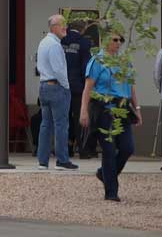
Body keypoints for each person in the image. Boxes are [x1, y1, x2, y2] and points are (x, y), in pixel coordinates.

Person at [82, 32, 138, 203]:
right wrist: (84, 110)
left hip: (122, 108)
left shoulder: (124, 61)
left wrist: (137, 108)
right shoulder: (97, 61)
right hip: (104, 108)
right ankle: (111, 191)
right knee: (108, 149)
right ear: (106, 41)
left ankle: (104, 174)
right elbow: (88, 87)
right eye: (115, 40)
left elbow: (131, 86)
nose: (118, 43)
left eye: (120, 40)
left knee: (127, 147)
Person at [34, 14, 78, 169]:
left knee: (45, 125)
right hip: (56, 86)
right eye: (62, 25)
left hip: (44, 86)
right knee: (61, 124)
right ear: (53, 27)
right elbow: (59, 69)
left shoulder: (43, 42)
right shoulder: (54, 45)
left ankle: (42, 160)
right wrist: (66, 87)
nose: (65, 27)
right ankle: (62, 159)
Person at [62, 19, 93, 157]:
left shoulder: (61, 40)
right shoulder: (84, 42)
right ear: (83, 29)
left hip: (62, 84)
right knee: (80, 118)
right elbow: (86, 67)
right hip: (77, 86)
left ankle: (66, 148)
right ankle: (83, 149)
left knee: (64, 118)